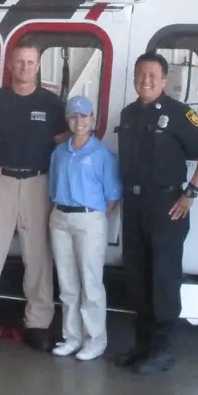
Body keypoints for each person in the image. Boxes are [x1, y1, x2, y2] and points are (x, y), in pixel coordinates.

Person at [116, 52, 198, 375]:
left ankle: (163, 350)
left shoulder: (179, 114)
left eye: (152, 76)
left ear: (163, 81)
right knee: (137, 277)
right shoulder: (129, 113)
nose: (146, 80)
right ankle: (142, 345)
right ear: (134, 78)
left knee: (163, 278)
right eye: (141, 75)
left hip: (166, 207)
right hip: (133, 205)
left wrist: (191, 193)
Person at [0, 44, 68, 350]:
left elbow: (63, 150)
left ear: (38, 66)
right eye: (19, 62)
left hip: (38, 185)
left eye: (30, 62)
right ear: (10, 65)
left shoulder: (52, 104)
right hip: (0, 183)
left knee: (38, 259)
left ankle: (37, 325)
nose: (25, 67)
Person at [48, 95, 121, 361]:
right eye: (73, 116)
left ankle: (95, 339)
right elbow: (52, 187)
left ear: (93, 120)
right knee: (67, 283)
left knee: (90, 281)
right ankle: (72, 337)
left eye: (84, 117)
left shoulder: (101, 154)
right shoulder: (59, 153)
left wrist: (94, 217)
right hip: (60, 218)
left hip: (89, 220)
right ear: (67, 119)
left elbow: (112, 195)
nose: (79, 121)